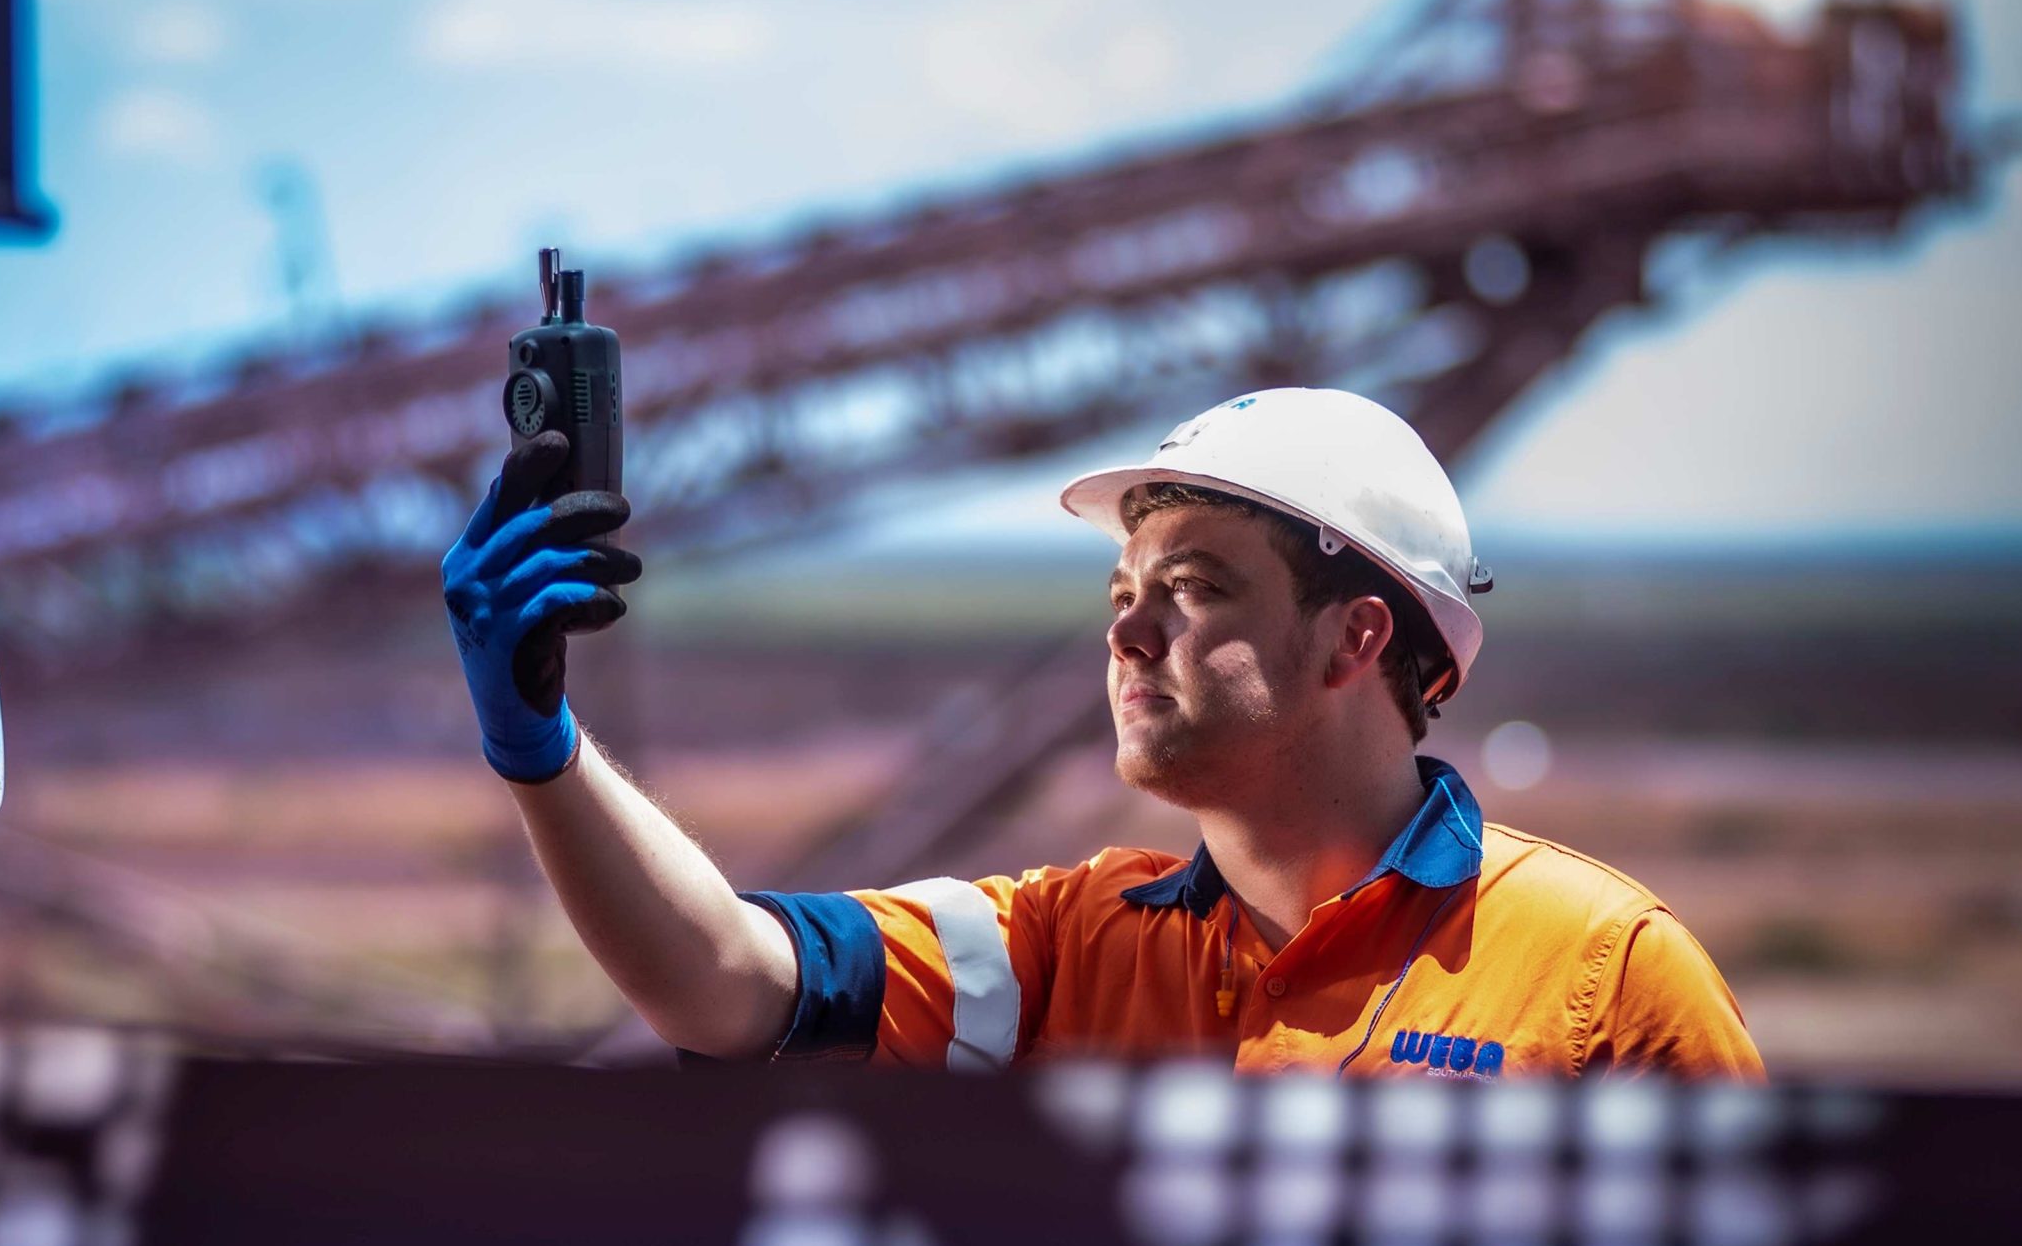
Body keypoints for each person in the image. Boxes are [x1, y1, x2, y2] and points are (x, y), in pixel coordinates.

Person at [442, 388, 1762, 1077]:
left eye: (1191, 595)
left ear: (1359, 640)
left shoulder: (1604, 976)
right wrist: (539, 741)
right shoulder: (1059, 951)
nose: (1126, 640)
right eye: (1121, 597)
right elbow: (722, 979)